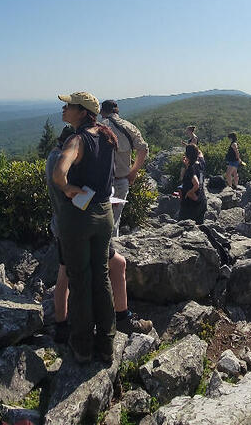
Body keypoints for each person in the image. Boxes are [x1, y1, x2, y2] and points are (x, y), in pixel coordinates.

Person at [45, 127, 152, 345]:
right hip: (79, 225)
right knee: (113, 266)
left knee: (66, 273)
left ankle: (61, 325)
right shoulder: (64, 162)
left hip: (62, 225)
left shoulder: (52, 158)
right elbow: (73, 194)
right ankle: (120, 317)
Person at [52, 91, 117, 363]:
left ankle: (81, 347)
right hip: (105, 215)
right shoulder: (106, 136)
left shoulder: (77, 139)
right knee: (101, 278)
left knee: (79, 281)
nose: (64, 109)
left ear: (82, 112)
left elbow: (59, 171)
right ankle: (106, 344)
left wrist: (67, 188)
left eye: (69, 106)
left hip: (79, 218)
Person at [99, 99, 149, 237]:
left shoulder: (98, 127)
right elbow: (143, 149)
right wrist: (133, 172)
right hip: (122, 180)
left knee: (99, 221)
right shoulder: (129, 127)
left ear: (102, 112)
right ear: (117, 111)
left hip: (101, 184)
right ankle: (113, 252)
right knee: (115, 220)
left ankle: (102, 254)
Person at [178, 143, 207, 224]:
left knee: (183, 227)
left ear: (187, 155)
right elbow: (200, 153)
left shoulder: (191, 168)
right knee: (200, 227)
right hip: (202, 199)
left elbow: (196, 184)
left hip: (191, 204)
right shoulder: (201, 163)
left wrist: (189, 193)